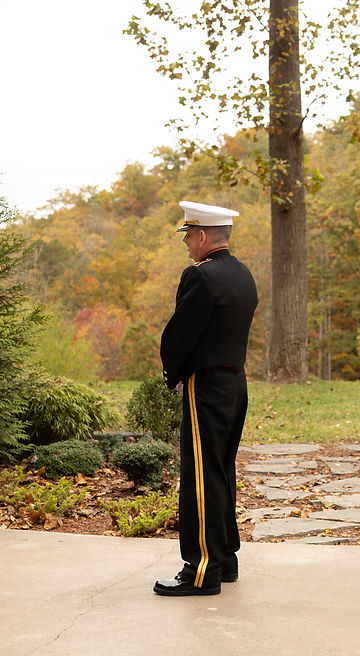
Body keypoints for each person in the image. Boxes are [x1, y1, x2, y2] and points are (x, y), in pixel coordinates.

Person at [154, 201, 258, 597]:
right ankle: (225, 560)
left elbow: (179, 335)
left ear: (201, 236)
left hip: (208, 386)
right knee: (220, 471)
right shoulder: (243, 274)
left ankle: (201, 570)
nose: (185, 245)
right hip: (236, 385)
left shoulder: (201, 276)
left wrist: (172, 373)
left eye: (187, 236)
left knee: (200, 476)